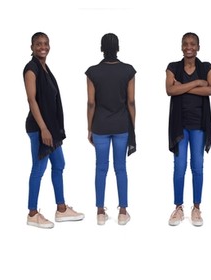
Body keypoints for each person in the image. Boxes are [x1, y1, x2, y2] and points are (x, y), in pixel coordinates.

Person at [23, 32, 85, 229]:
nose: (43, 47)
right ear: (32, 47)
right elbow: (32, 100)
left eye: (46, 43)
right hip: (39, 127)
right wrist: (43, 128)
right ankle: (32, 213)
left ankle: (61, 208)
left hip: (51, 128)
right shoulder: (31, 69)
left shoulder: (45, 68)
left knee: (59, 163)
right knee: (38, 168)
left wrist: (51, 128)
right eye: (38, 44)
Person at [165, 32, 211, 227]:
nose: (189, 47)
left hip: (199, 125)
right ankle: (178, 207)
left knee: (197, 166)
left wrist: (183, 87)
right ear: (181, 46)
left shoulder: (206, 67)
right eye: (185, 44)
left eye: (193, 44)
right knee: (179, 168)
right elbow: (170, 90)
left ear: (198, 47)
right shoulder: (173, 67)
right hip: (180, 125)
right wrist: (196, 83)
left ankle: (196, 208)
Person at [85, 33, 137, 226]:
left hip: (99, 125)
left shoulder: (92, 72)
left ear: (101, 48)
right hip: (122, 125)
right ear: (118, 48)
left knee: (100, 168)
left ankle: (100, 212)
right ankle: (123, 212)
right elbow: (131, 101)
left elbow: (91, 103)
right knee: (121, 168)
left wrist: (89, 128)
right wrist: (133, 125)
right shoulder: (128, 70)